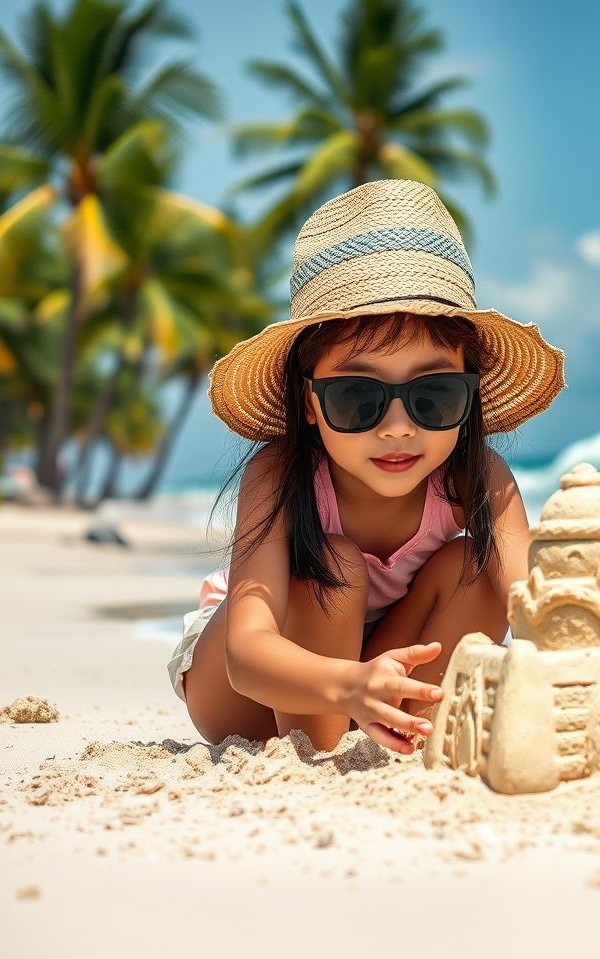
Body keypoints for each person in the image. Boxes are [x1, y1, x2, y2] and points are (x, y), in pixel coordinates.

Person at [166, 178, 567, 755]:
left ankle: (409, 733)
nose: (399, 426)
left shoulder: (477, 477)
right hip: (249, 691)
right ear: (309, 403)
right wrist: (346, 683)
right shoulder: (281, 476)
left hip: (379, 672)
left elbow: (535, 605)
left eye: (433, 397)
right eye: (358, 398)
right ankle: (321, 745)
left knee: (474, 565)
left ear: (469, 396)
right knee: (333, 563)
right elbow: (247, 652)